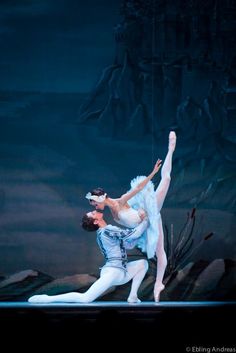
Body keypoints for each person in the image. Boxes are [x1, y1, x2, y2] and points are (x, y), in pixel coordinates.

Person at [85, 131, 176, 302]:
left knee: (167, 179)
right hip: (146, 224)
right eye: (93, 206)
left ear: (102, 198)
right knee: (159, 251)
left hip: (150, 211)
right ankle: (157, 285)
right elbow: (128, 233)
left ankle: (170, 149)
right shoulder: (110, 216)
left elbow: (137, 189)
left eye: (94, 204)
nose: (95, 207)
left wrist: (152, 173)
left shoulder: (119, 202)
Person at [28, 210, 149, 304]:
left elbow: (129, 243)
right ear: (96, 221)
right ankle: (48, 299)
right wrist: (145, 220)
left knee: (143, 263)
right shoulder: (107, 230)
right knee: (85, 298)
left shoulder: (103, 233)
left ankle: (133, 296)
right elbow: (133, 234)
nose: (94, 211)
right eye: (92, 213)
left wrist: (143, 226)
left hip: (121, 271)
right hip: (113, 272)